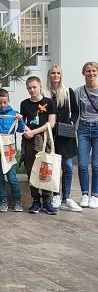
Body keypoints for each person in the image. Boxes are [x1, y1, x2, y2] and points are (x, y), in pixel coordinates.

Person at [43, 65, 81, 212]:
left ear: (61, 75)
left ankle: (67, 197)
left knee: (68, 167)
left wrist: (72, 121)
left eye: (58, 73)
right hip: (51, 135)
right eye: (53, 73)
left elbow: (76, 111)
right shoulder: (44, 93)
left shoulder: (67, 91)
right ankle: (56, 195)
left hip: (65, 134)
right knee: (53, 167)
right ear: (49, 75)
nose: (56, 75)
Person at [20, 76, 57, 214]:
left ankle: (47, 201)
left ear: (40, 86)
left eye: (34, 87)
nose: (32, 90)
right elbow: (22, 121)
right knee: (32, 171)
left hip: (43, 140)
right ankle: (35, 200)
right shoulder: (24, 104)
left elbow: (51, 123)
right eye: (29, 88)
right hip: (29, 141)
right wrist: (26, 130)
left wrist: (34, 131)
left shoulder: (49, 102)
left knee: (45, 170)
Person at [0, 89, 24, 212]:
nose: (2, 105)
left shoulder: (14, 114)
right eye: (0, 103)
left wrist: (20, 120)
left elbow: (21, 130)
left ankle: (17, 201)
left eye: (5, 102)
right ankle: (3, 201)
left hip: (9, 149)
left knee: (12, 177)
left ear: (8, 101)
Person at [74, 62, 98, 209]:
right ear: (83, 73)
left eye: (94, 71)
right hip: (83, 129)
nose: (91, 73)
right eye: (88, 71)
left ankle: (94, 195)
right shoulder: (79, 91)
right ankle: (84, 194)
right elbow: (75, 112)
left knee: (96, 165)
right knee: (82, 164)